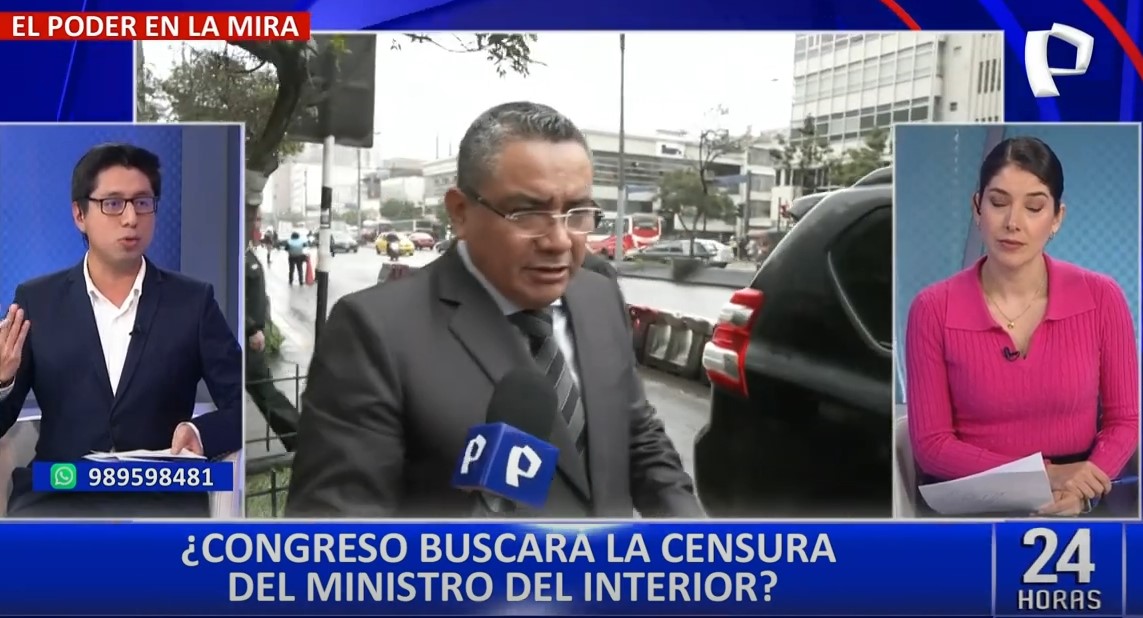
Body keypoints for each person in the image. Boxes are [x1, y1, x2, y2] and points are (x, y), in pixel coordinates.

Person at [286, 101, 702, 518]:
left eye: (577, 213)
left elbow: (637, 434)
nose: (560, 241)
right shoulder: (374, 333)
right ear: (460, 212)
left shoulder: (600, 297)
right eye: (528, 213)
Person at [0, 143, 243, 517]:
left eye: (143, 203)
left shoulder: (193, 303)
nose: (131, 218)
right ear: (79, 214)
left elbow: (242, 403)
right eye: (113, 203)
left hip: (160, 497)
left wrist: (200, 433)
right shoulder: (36, 301)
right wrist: (3, 380)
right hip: (59, 493)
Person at [906, 136, 1139, 517]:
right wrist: (1047, 476)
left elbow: (1124, 421)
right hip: (974, 501)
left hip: (1078, 496)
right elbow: (932, 446)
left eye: (1034, 207)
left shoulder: (1102, 297)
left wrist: (1083, 490)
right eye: (998, 203)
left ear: (1057, 218)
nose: (1013, 223)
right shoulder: (932, 309)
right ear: (977, 208)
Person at [245, 208, 300, 452]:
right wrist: (250, 329)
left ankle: (301, 440)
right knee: (265, 392)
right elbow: (229, 294)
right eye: (255, 219)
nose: (258, 225)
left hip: (251, 339)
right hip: (243, 340)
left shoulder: (247, 252)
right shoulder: (237, 254)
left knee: (264, 391)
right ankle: (303, 441)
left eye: (259, 219)